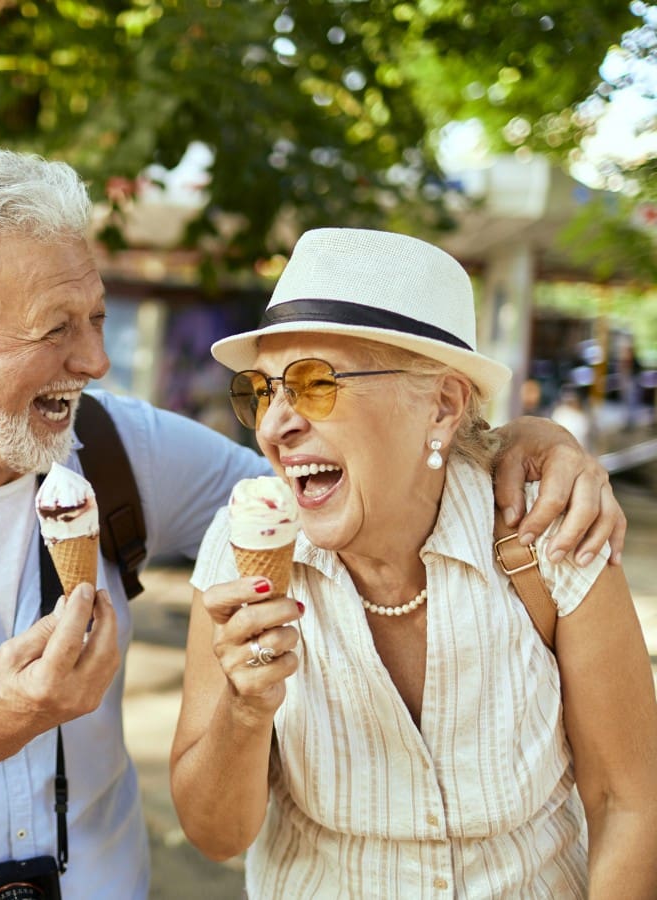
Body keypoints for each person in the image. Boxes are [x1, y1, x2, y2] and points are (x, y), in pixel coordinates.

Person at [0, 150, 626, 899]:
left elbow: (338, 481)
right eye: (57, 329)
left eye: (95, 317)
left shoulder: (123, 448)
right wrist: (5, 722)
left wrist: (527, 442)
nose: (93, 361)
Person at [170, 228, 657, 897]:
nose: (273, 425)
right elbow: (215, 835)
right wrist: (245, 711)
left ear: (443, 406)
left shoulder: (550, 531)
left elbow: (627, 804)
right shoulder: (242, 545)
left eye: (315, 383)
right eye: (263, 389)